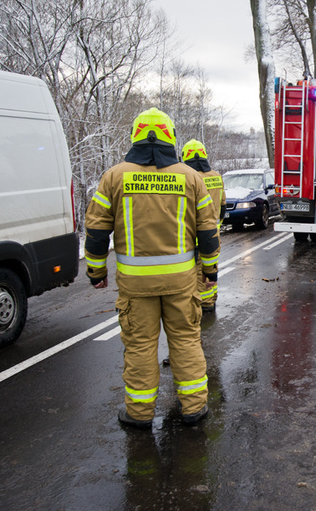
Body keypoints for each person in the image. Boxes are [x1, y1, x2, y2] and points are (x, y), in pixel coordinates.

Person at [84, 107, 220, 430]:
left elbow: (96, 230)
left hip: (136, 287)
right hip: (181, 283)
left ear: (135, 137)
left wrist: (96, 273)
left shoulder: (114, 177)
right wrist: (210, 271)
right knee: (186, 341)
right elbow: (208, 231)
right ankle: (194, 408)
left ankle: (139, 413)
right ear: (171, 138)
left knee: (140, 346)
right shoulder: (190, 178)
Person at [181, 139, 225, 313]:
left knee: (194, 272)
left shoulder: (188, 178)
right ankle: (210, 300)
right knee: (209, 268)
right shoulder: (216, 176)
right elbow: (223, 206)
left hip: (193, 236)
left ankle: (201, 304)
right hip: (213, 234)